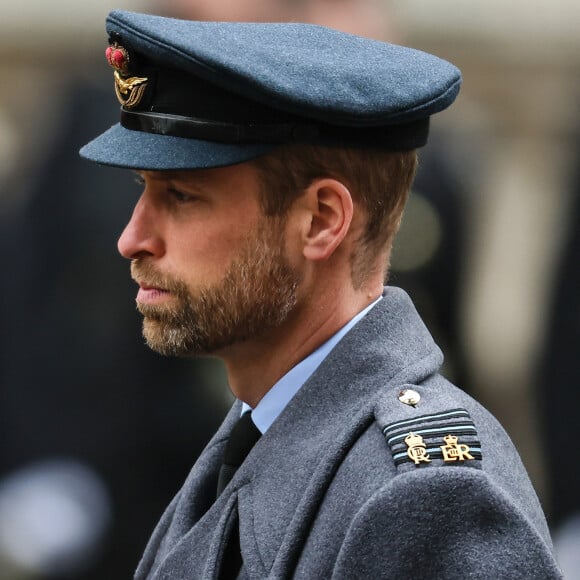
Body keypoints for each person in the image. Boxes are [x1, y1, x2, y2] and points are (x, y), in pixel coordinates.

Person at [80, 10, 562, 579]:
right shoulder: (256, 433)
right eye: (144, 192)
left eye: (182, 196)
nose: (132, 238)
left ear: (320, 221)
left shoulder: (424, 498)